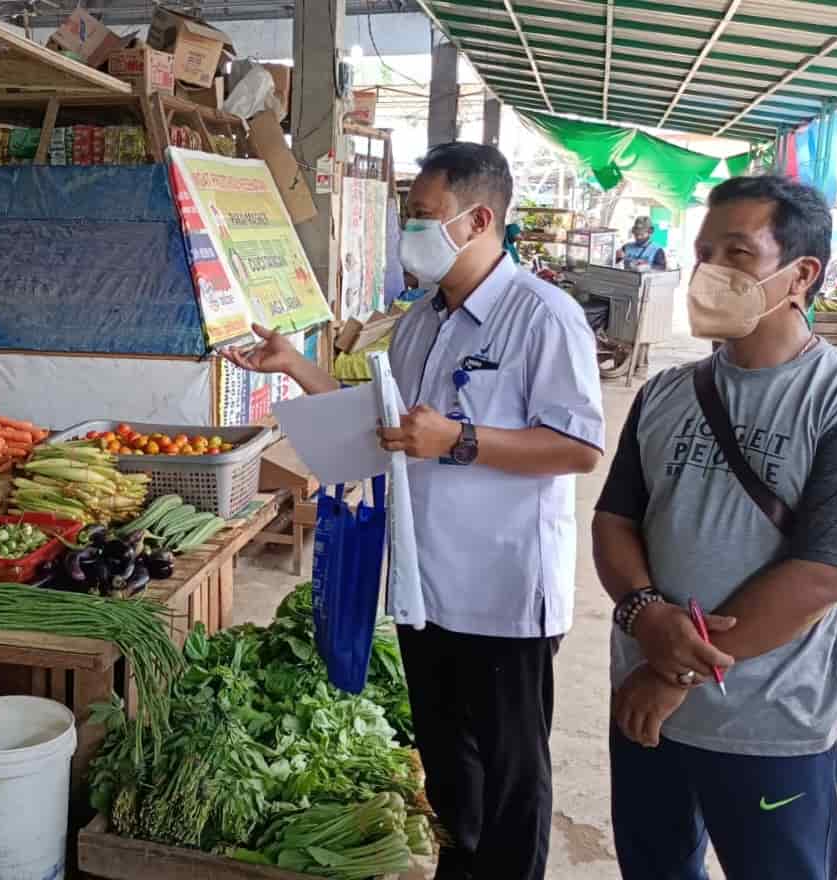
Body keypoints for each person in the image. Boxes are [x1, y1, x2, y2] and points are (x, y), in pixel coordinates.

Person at [227, 141, 604, 880]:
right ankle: (460, 866)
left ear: (479, 219)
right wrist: (296, 366)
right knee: (445, 753)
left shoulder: (543, 318)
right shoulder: (423, 320)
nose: (411, 232)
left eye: (424, 216)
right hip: (425, 584)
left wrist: (459, 438)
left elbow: (579, 447)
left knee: (512, 772)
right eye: (410, 214)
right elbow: (385, 417)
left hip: (503, 589)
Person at [592, 175, 837, 880]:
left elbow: (826, 573)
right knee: (655, 868)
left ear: (801, 274)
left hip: (769, 726)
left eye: (738, 253)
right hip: (644, 709)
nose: (712, 273)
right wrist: (645, 614)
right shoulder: (667, 392)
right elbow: (615, 519)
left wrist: (675, 668)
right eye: (705, 252)